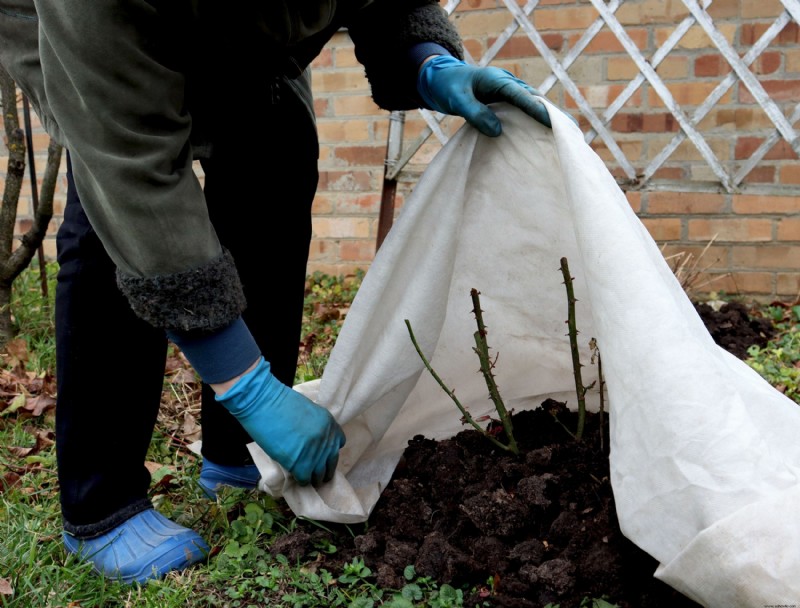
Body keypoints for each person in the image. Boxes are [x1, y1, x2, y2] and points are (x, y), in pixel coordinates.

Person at [0, 0, 567, 585]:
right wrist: (248, 387)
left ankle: (237, 454)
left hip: (242, 33)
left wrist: (423, 58)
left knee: (278, 152)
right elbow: (132, 174)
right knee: (111, 218)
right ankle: (102, 505)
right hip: (84, 33)